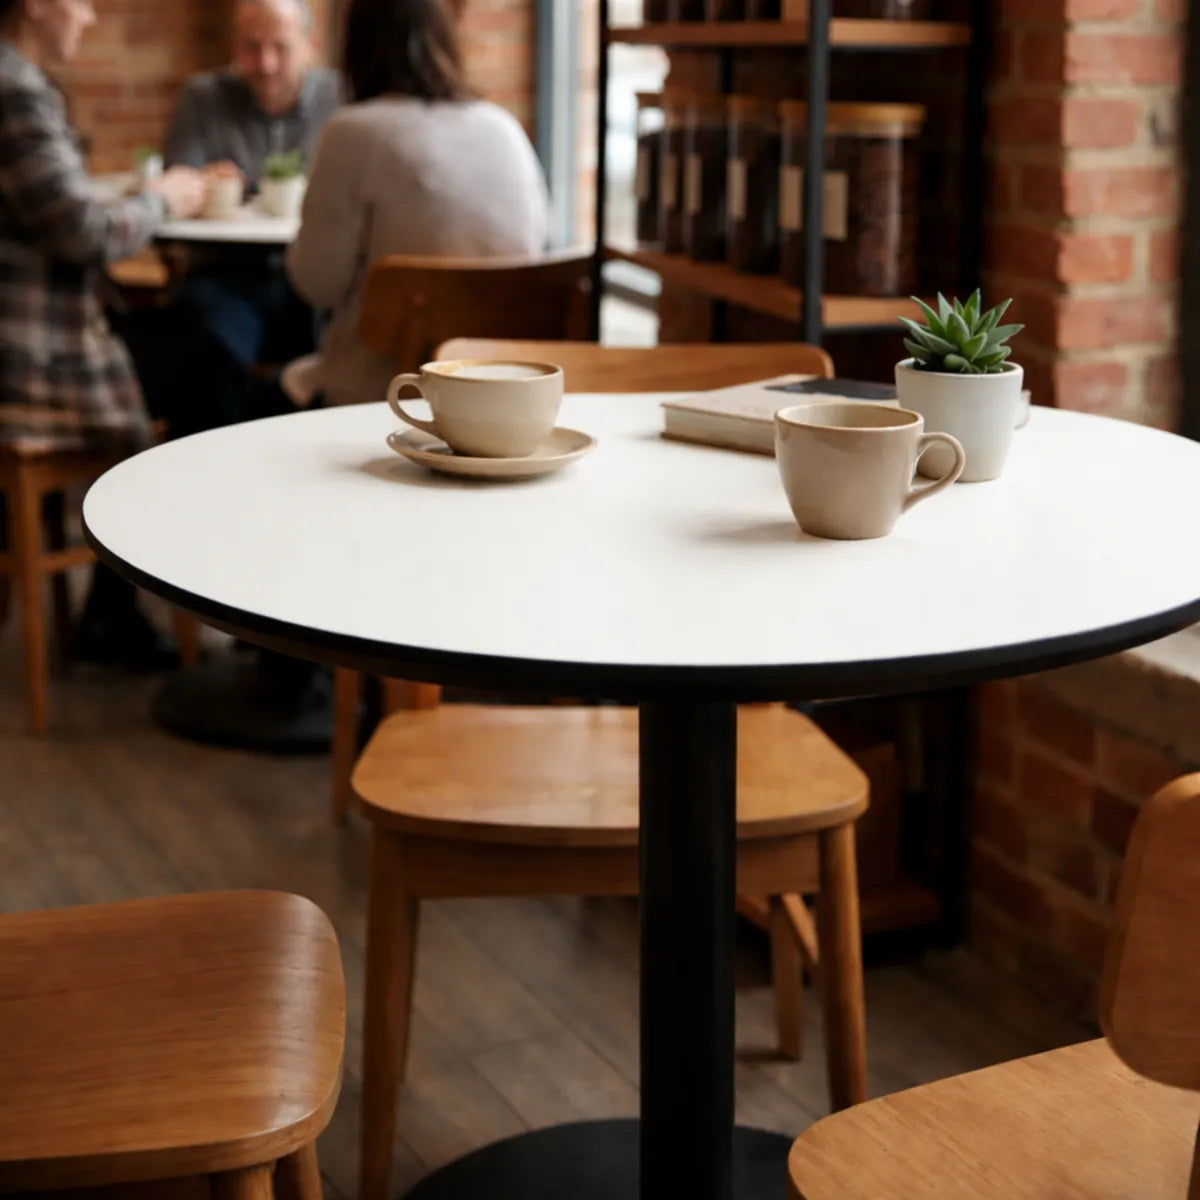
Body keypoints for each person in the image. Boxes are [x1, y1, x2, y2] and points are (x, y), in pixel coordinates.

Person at [0, 0, 207, 667]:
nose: (87, 18)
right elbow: (81, 232)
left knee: (193, 350)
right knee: (210, 369)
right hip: (30, 357)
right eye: (80, 1)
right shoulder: (16, 92)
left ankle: (115, 610)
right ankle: (134, 610)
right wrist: (166, 199)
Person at [286, 0, 550, 409]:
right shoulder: (505, 128)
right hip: (499, 394)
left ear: (355, 45)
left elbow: (316, 283)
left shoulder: (352, 132)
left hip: (387, 398)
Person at [154, 0, 342, 428]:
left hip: (314, 281)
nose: (266, 63)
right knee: (204, 338)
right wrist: (203, 182)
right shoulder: (203, 96)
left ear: (310, 46)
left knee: (341, 343)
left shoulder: (340, 98)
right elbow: (175, 190)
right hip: (227, 274)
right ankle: (206, 469)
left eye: (280, 47)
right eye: (251, 48)